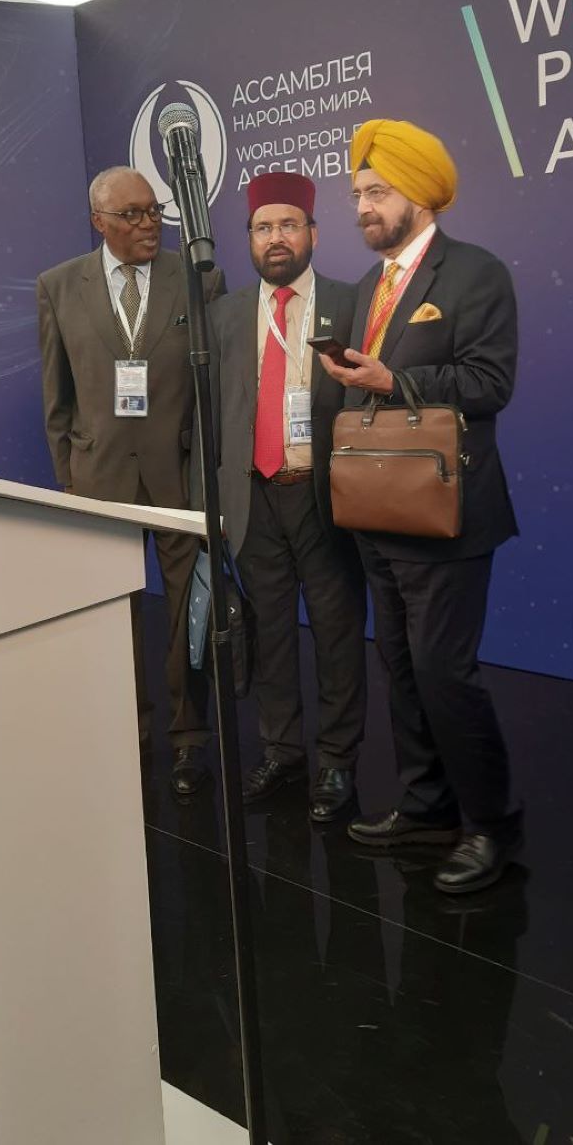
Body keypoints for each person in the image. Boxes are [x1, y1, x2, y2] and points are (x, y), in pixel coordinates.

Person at [319, 119, 522, 892]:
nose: (362, 208)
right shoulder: (369, 287)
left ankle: (491, 825)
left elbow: (490, 384)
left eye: (376, 192)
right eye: (356, 196)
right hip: (376, 508)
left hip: (446, 512)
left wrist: (393, 381)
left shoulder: (475, 273)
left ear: (420, 194)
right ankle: (427, 808)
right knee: (401, 668)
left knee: (444, 672)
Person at [37, 165, 225, 796]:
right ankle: (128, 725)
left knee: (186, 612)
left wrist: (208, 477)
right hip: (100, 478)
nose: (149, 224)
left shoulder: (198, 279)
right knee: (115, 613)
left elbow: (212, 391)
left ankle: (189, 737)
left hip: (178, 476)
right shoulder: (59, 286)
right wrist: (69, 478)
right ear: (99, 222)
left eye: (154, 211)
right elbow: (57, 396)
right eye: (132, 215)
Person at [203, 170, 367, 822]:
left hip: (325, 496)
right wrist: (214, 501)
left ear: (313, 234)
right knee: (269, 630)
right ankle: (282, 751)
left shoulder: (350, 303)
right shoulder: (225, 314)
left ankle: (336, 760)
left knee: (335, 632)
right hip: (253, 495)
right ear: (249, 237)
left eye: (288, 225)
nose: (276, 238)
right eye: (263, 227)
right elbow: (212, 412)